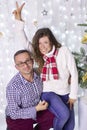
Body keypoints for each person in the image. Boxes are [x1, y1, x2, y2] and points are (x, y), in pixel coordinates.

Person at [12, 2, 78, 130]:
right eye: (39, 43)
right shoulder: (38, 54)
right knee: (63, 115)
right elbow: (24, 40)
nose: (42, 46)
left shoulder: (63, 51)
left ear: (51, 41)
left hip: (65, 92)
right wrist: (18, 20)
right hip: (48, 93)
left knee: (70, 126)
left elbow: (74, 73)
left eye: (46, 42)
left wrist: (73, 96)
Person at [5, 49, 54, 130]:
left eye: (27, 61)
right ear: (16, 67)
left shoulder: (39, 73)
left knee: (55, 114)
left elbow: (53, 72)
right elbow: (14, 113)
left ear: (32, 61)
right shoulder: (13, 86)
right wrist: (36, 109)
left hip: (37, 109)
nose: (26, 65)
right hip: (17, 117)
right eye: (21, 63)